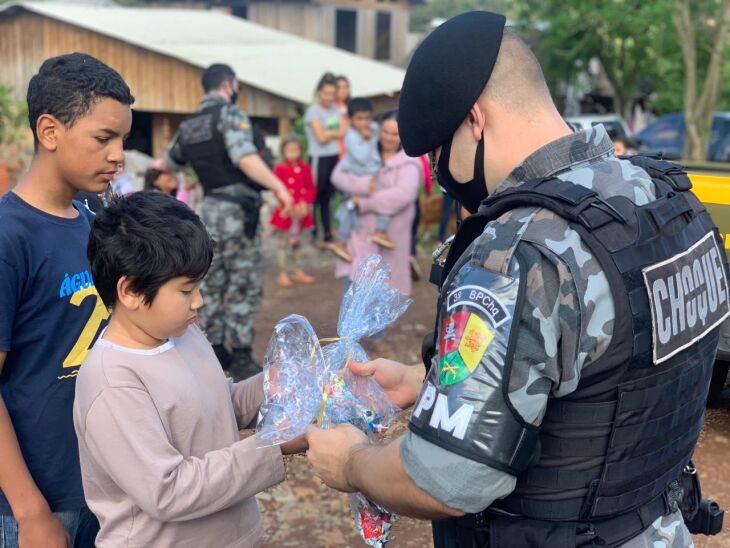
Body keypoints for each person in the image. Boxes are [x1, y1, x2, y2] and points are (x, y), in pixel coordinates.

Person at [305, 12, 730, 548]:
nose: (438, 170)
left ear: (475, 120)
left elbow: (445, 479)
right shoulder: (665, 198)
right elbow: (613, 367)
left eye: (438, 149)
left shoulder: (515, 252)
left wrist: (351, 464)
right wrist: (430, 383)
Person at [74, 191, 305, 547]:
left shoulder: (183, 333)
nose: (199, 300)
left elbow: (214, 406)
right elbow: (168, 490)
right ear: (131, 290)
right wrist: (274, 445)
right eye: (186, 290)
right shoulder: (112, 380)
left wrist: (271, 384)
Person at [0, 53, 133, 548]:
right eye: (104, 139)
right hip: (36, 498)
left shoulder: (94, 222)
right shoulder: (9, 238)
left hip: (103, 484)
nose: (119, 154)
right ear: (50, 131)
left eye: (123, 139)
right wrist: (30, 511)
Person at [158, 63, 293, 381]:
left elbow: (167, 162)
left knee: (211, 282)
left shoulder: (189, 126)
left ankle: (215, 349)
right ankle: (242, 356)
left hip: (209, 213)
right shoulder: (230, 115)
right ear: (229, 85)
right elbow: (245, 158)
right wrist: (279, 187)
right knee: (243, 283)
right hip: (238, 214)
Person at [331, 110, 420, 297]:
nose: (389, 138)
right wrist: (363, 185)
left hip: (390, 240)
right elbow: (338, 176)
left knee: (379, 303)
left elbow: (404, 195)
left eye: (395, 134)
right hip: (359, 239)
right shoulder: (363, 152)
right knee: (352, 301)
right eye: (385, 132)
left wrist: (364, 202)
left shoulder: (409, 161)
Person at [332, 97, 395, 263]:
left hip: (369, 176)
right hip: (357, 176)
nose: (364, 123)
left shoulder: (373, 128)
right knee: (380, 200)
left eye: (367, 118)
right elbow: (360, 157)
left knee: (354, 207)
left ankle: (345, 239)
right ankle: (343, 240)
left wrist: (372, 133)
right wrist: (367, 139)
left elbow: (377, 129)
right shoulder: (350, 136)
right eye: (359, 119)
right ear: (351, 120)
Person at [305, 73, 348, 245]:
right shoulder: (312, 111)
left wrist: (327, 132)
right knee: (316, 195)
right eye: (326, 93)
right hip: (318, 158)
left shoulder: (335, 111)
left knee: (329, 196)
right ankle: (314, 231)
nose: (329, 97)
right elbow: (320, 138)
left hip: (333, 157)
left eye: (332, 94)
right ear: (318, 92)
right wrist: (331, 133)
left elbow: (343, 132)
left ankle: (328, 231)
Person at [269, 135, 317, 288]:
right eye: (289, 150)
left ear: (300, 151)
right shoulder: (280, 168)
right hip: (286, 213)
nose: (293, 153)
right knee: (282, 244)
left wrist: (305, 202)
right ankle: (282, 273)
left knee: (298, 243)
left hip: (301, 214)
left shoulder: (305, 168)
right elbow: (276, 189)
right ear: (283, 151)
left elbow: (311, 188)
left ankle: (298, 270)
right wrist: (286, 203)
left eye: (296, 150)